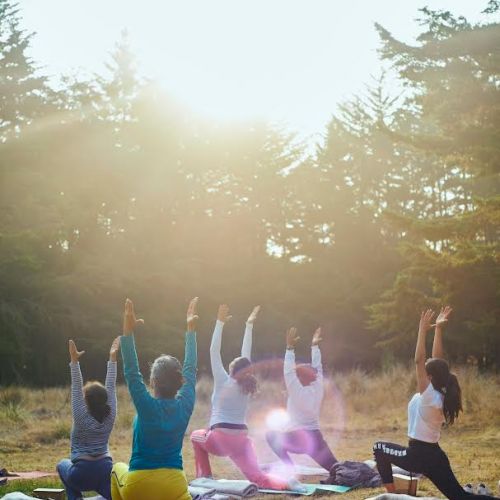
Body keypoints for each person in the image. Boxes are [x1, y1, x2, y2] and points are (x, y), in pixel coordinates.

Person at [373, 306, 498, 500]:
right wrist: (438, 329)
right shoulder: (440, 392)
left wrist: (422, 330)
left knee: (378, 448)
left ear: (429, 376)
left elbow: (419, 360)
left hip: (417, 455)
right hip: (435, 455)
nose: (423, 369)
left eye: (426, 370)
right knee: (460, 497)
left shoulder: (429, 396)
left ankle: (392, 496)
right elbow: (437, 360)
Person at [190, 304, 290, 490]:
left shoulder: (223, 380)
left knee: (195, 437)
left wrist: (219, 322)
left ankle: (205, 478)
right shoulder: (247, 385)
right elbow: (246, 355)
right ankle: (290, 484)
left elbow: (214, 351)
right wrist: (249, 326)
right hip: (241, 442)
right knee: (258, 477)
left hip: (219, 439)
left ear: (232, 368)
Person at [111, 297, 198, 500]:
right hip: (175, 486)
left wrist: (128, 332)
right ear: (179, 381)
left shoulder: (146, 406)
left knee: (116, 468)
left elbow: (131, 372)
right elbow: (191, 370)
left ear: (153, 381)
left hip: (139, 486)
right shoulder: (185, 405)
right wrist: (191, 331)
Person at [266, 326, 338, 471]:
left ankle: (289, 468)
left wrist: (289, 348)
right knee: (336, 468)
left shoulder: (297, 391)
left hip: (296, 439)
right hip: (315, 439)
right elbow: (318, 367)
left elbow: (288, 372)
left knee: (271, 435)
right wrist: (315, 347)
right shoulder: (318, 387)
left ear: (300, 378)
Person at [57, 336, 119, 500]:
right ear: (105, 399)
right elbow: (111, 386)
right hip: (105, 470)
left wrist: (74, 361)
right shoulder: (110, 414)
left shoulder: (80, 415)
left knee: (61, 465)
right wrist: (112, 359)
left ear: (86, 400)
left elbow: (76, 386)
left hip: (81, 474)